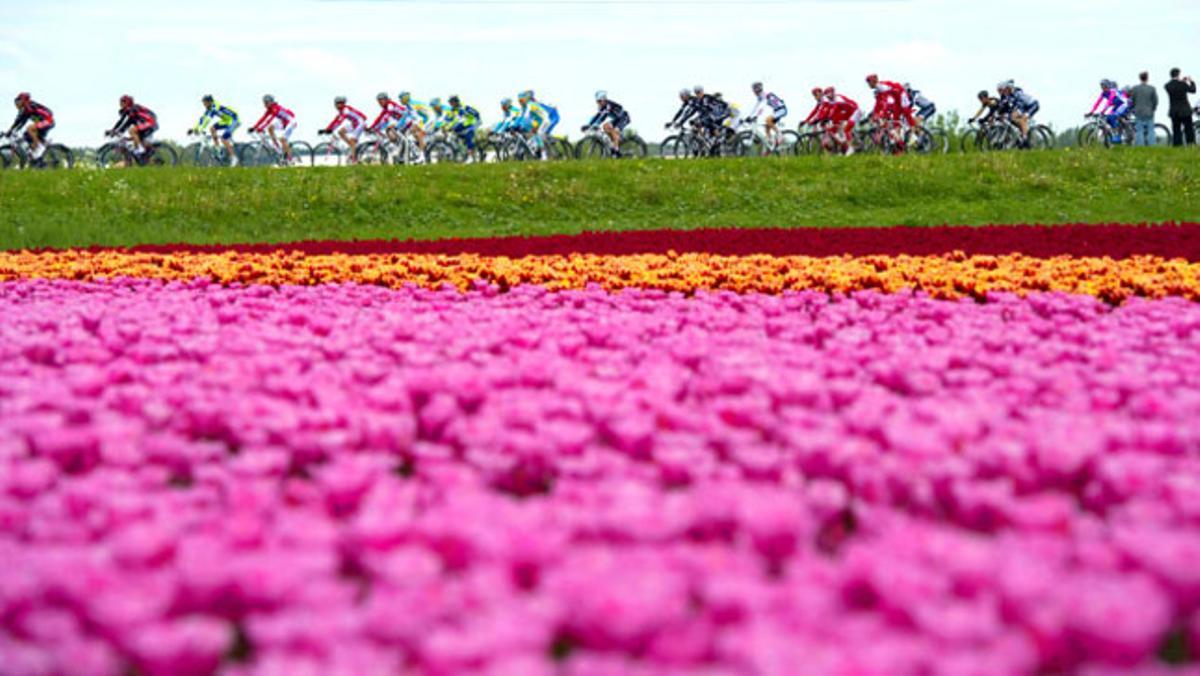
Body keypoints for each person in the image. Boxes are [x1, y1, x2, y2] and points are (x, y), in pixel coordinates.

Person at [191, 94, 239, 165]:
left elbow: (208, 119)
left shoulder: (215, 106)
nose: (204, 105)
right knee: (212, 129)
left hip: (234, 120)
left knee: (223, 139)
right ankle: (218, 150)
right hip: (226, 121)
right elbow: (202, 119)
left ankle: (234, 158)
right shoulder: (209, 108)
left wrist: (201, 129)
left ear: (209, 102)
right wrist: (194, 128)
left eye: (205, 103)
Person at [250, 94, 297, 163]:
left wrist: (261, 128)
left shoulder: (275, 108)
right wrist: (254, 127)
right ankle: (277, 146)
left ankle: (290, 159)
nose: (265, 104)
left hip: (291, 122)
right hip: (283, 122)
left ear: (271, 102)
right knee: (270, 128)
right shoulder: (270, 109)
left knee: (282, 139)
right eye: (264, 103)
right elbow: (263, 118)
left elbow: (270, 120)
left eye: (266, 102)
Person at [7, 92, 54, 161]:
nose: (16, 105)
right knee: (26, 136)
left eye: (18, 102)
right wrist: (10, 130)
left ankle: (38, 145)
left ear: (23, 100)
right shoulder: (25, 109)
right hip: (42, 123)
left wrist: (11, 130)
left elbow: (22, 119)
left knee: (29, 128)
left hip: (48, 120)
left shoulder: (30, 105)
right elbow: (19, 122)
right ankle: (35, 159)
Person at [320, 96, 367, 163]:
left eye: (340, 103)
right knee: (341, 132)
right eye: (337, 104)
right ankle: (352, 146)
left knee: (352, 140)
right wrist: (326, 129)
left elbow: (339, 122)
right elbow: (335, 120)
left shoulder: (345, 110)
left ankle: (354, 161)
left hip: (360, 123)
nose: (338, 105)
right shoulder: (341, 111)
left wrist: (331, 130)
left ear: (343, 104)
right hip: (354, 123)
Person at [582, 91, 629, 157]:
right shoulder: (602, 107)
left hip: (624, 118)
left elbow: (604, 116)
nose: (599, 103)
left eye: (600, 101)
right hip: (617, 119)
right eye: (597, 101)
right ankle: (613, 144)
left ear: (604, 99)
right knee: (605, 127)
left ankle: (616, 151)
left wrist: (597, 124)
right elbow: (597, 116)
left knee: (615, 130)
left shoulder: (608, 105)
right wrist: (588, 124)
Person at [517, 90, 560, 159]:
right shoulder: (523, 107)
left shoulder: (529, 105)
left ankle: (544, 155)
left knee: (538, 135)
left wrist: (521, 125)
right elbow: (520, 117)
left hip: (545, 120)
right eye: (519, 101)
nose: (520, 103)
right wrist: (516, 125)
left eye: (521, 100)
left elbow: (526, 117)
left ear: (526, 99)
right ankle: (538, 150)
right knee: (533, 134)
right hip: (538, 120)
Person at [747, 82, 788, 148]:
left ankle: (780, 135)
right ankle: (771, 145)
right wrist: (749, 116)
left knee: (768, 120)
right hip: (777, 111)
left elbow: (762, 107)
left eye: (753, 90)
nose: (753, 92)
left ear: (757, 90)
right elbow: (755, 107)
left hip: (781, 110)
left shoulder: (764, 95)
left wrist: (756, 116)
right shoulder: (760, 97)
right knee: (766, 128)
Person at [1088, 79, 1129, 144]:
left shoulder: (1112, 91)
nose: (1102, 88)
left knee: (1112, 116)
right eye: (1101, 86)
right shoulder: (1103, 93)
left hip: (1123, 104)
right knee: (1108, 118)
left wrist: (1102, 111)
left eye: (1103, 86)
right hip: (1117, 105)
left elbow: (1109, 102)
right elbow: (1097, 103)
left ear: (1107, 86)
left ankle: (1117, 135)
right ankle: (1113, 133)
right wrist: (1091, 111)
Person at [1164, 68, 1196, 146]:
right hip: (1185, 110)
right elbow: (1193, 90)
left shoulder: (1167, 86)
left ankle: (1177, 145)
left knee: (1176, 130)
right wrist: (1191, 81)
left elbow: (1175, 86)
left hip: (1174, 111)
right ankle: (1190, 143)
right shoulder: (1183, 84)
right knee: (1189, 129)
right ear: (1178, 74)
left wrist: (1181, 81)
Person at [444, 95, 481, 160]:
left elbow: (476, 114)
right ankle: (459, 152)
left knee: (468, 136)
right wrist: (444, 125)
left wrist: (476, 122)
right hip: (462, 126)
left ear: (456, 101)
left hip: (471, 124)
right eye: (450, 102)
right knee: (453, 135)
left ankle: (470, 157)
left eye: (452, 102)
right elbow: (447, 119)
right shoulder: (451, 110)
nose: (451, 104)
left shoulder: (464, 107)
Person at [824, 87, 859, 155]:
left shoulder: (838, 98)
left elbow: (834, 109)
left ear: (833, 93)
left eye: (829, 95)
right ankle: (841, 148)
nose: (828, 97)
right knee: (835, 127)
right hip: (845, 113)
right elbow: (828, 110)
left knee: (845, 129)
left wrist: (829, 117)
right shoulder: (831, 101)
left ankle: (850, 148)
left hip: (853, 111)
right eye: (827, 96)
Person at [1128, 71, 1159, 147]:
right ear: (1147, 78)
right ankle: (1152, 145)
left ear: (1140, 78)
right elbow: (1155, 100)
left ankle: (1140, 145)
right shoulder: (1152, 88)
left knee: (1139, 130)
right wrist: (1153, 109)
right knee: (1150, 130)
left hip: (1138, 111)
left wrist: (1133, 108)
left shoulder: (1135, 88)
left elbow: (1132, 100)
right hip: (1149, 111)